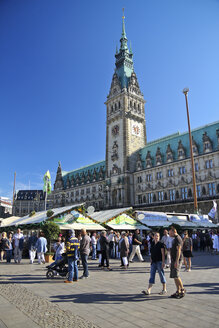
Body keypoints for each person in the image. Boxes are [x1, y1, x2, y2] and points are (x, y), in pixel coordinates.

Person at [169, 227, 186, 299]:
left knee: (176, 275)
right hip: (173, 259)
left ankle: (182, 289)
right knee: (174, 276)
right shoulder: (174, 239)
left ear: (174, 231)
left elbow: (179, 251)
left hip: (177, 260)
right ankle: (178, 290)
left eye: (170, 232)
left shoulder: (178, 239)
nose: (169, 234)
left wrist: (176, 261)